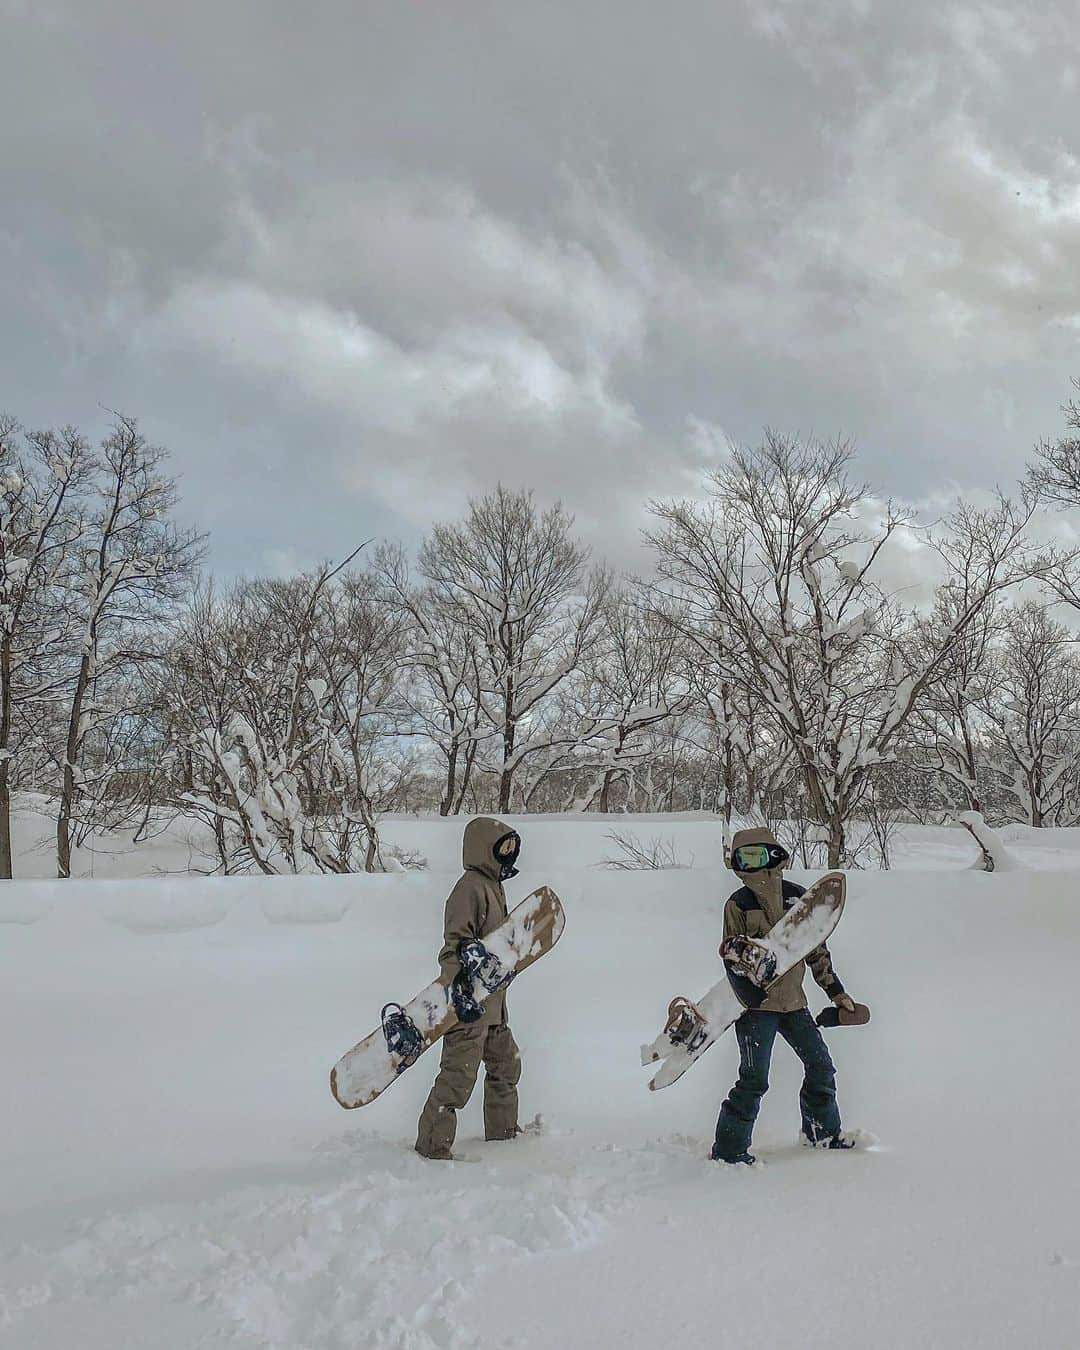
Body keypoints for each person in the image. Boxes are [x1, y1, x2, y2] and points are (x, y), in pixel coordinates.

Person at [711, 826, 860, 1165]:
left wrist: (836, 993)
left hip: (794, 1004)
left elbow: (816, 952)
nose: (753, 864)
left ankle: (822, 1133)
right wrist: (743, 964)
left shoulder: (799, 898)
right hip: (756, 1008)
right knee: (754, 1080)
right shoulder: (738, 903)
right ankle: (729, 1151)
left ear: (774, 855)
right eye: (744, 857)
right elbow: (729, 956)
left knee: (821, 1067)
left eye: (758, 855)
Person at [415, 817, 524, 1160]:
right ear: (483, 849)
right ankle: (431, 1147)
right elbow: (454, 946)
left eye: (512, 847)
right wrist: (459, 984)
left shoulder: (493, 886)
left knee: (506, 1065)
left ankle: (504, 1135)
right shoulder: (470, 888)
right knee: (457, 1079)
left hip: (494, 1006)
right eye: (502, 847)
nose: (509, 854)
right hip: (468, 1005)